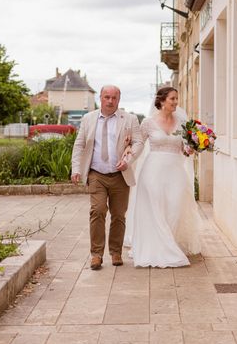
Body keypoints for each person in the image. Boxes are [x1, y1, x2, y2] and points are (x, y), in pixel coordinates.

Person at [125, 86, 202, 268]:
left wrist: (191, 148)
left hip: (175, 172)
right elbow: (139, 144)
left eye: (177, 98)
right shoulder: (148, 123)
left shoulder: (183, 123)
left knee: (174, 208)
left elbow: (185, 149)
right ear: (161, 101)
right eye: (172, 99)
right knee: (155, 208)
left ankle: (170, 244)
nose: (176, 102)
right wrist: (128, 153)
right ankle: (159, 249)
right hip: (153, 172)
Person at [71, 85, 143, 270]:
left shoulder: (129, 119)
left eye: (114, 98)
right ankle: (96, 254)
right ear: (101, 98)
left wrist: (129, 159)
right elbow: (79, 145)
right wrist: (76, 169)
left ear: (119, 100)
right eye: (106, 97)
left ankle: (116, 251)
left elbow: (138, 142)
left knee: (119, 215)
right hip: (97, 174)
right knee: (97, 210)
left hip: (120, 175)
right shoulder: (88, 119)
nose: (110, 101)